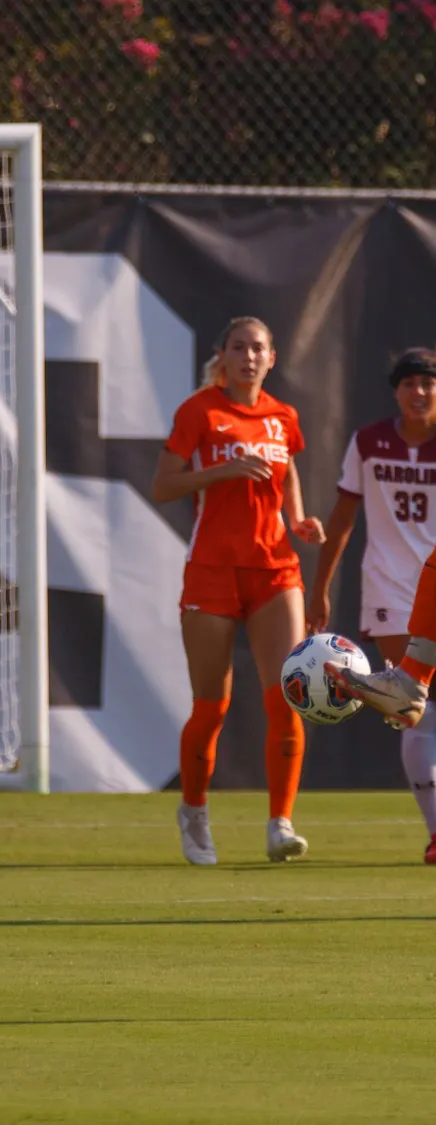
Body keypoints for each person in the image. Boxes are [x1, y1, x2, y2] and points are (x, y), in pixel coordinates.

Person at [152, 316, 326, 866]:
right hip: (212, 571)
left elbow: (288, 468)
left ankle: (280, 823)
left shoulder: (283, 415)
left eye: (258, 348)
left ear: (272, 359)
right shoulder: (200, 410)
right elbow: (163, 485)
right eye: (239, 347)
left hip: (275, 569)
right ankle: (195, 814)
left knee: (287, 697)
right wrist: (221, 472)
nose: (249, 356)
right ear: (222, 357)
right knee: (212, 707)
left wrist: (296, 518)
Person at [309, 349, 436, 863]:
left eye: (428, 384)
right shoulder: (368, 442)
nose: (420, 392)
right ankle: (435, 834)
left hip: (435, 579)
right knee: (421, 712)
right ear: (395, 391)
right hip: (391, 588)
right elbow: (341, 518)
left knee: (416, 701)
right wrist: (320, 586)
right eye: (410, 383)